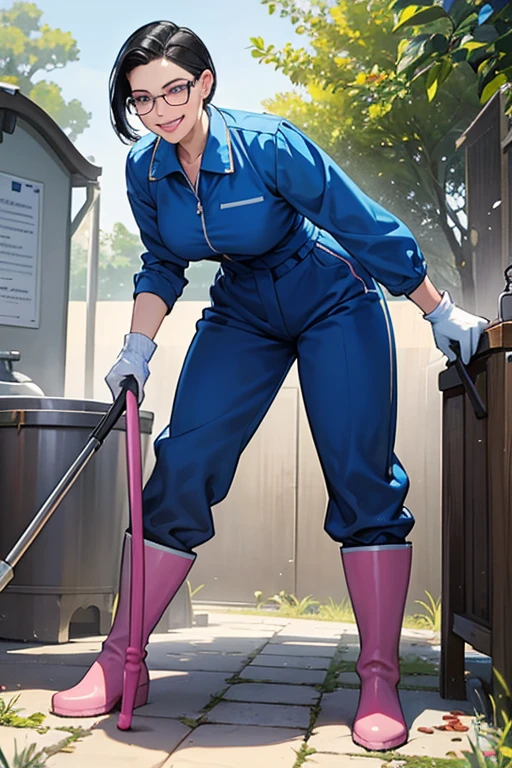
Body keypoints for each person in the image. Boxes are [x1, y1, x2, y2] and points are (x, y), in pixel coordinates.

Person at [51, 21, 487, 751]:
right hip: (243, 309)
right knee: (181, 464)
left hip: (333, 298)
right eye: (142, 100)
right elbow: (161, 263)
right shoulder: (144, 171)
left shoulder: (267, 143)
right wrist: (137, 344)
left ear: (206, 82)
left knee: (360, 473)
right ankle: (122, 659)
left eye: (174, 91)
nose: (160, 111)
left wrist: (437, 310)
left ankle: (377, 677)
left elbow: (361, 223)